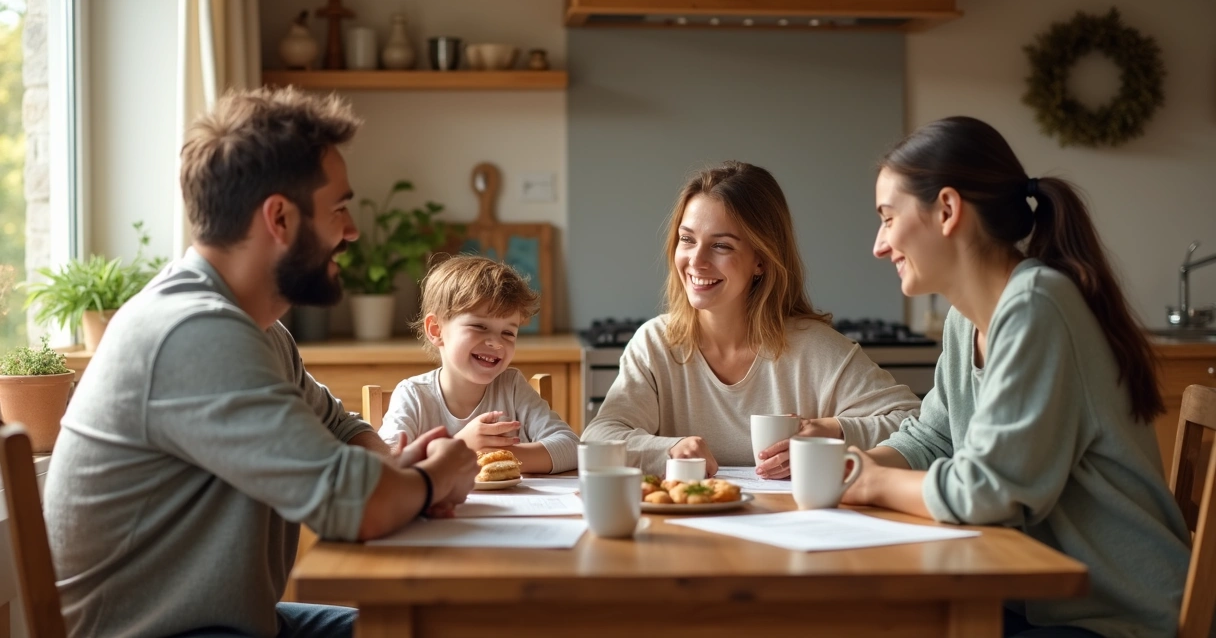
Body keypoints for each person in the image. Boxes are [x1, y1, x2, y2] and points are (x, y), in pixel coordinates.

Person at [42, 87, 478, 638]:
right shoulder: (191, 332)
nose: (352, 231)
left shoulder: (255, 329)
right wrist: (437, 474)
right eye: (339, 208)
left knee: (437, 627)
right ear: (280, 218)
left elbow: (342, 429)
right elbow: (357, 506)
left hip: (235, 622)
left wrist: (395, 467)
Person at [845, 116, 1190, 637]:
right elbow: (934, 436)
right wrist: (854, 463)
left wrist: (871, 482)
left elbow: (989, 492)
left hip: (1117, 615)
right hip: (1042, 602)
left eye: (888, 218)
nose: (879, 244)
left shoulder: (1036, 307)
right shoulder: (967, 318)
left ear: (946, 210)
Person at [581, 161, 921, 476]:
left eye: (721, 246)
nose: (696, 261)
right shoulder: (655, 344)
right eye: (687, 240)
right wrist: (669, 449)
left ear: (761, 260)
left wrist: (832, 432)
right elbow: (599, 436)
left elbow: (915, 421)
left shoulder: (815, 349)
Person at [379, 255, 579, 474]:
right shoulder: (413, 396)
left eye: (508, 332)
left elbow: (571, 447)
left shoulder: (512, 387)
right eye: (479, 327)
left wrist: (491, 456)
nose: (496, 342)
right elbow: (388, 464)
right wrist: (459, 448)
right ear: (436, 330)